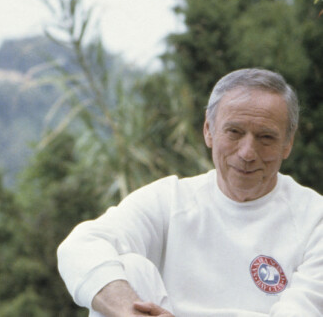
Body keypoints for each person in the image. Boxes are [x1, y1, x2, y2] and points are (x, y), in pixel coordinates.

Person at [57, 68, 323, 316]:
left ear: (287, 144)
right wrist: (128, 310)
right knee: (128, 271)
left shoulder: (315, 219)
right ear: (208, 130)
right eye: (234, 132)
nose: (247, 153)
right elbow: (80, 245)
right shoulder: (171, 199)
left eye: (266, 137)